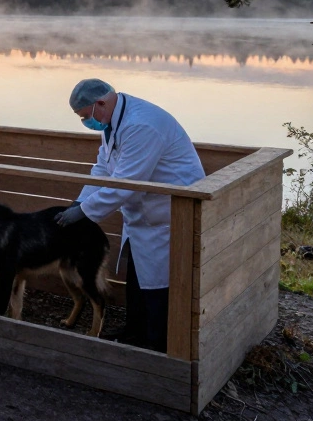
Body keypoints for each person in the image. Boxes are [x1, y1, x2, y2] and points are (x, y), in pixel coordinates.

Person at [56, 78, 205, 352]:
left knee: (159, 284)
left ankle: (156, 344)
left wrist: (84, 213)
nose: (87, 123)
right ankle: (134, 333)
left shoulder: (141, 125)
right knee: (138, 278)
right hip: (144, 212)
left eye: (86, 116)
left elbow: (126, 184)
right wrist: (78, 202)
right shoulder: (112, 122)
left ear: (100, 103)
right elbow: (103, 169)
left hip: (170, 212)